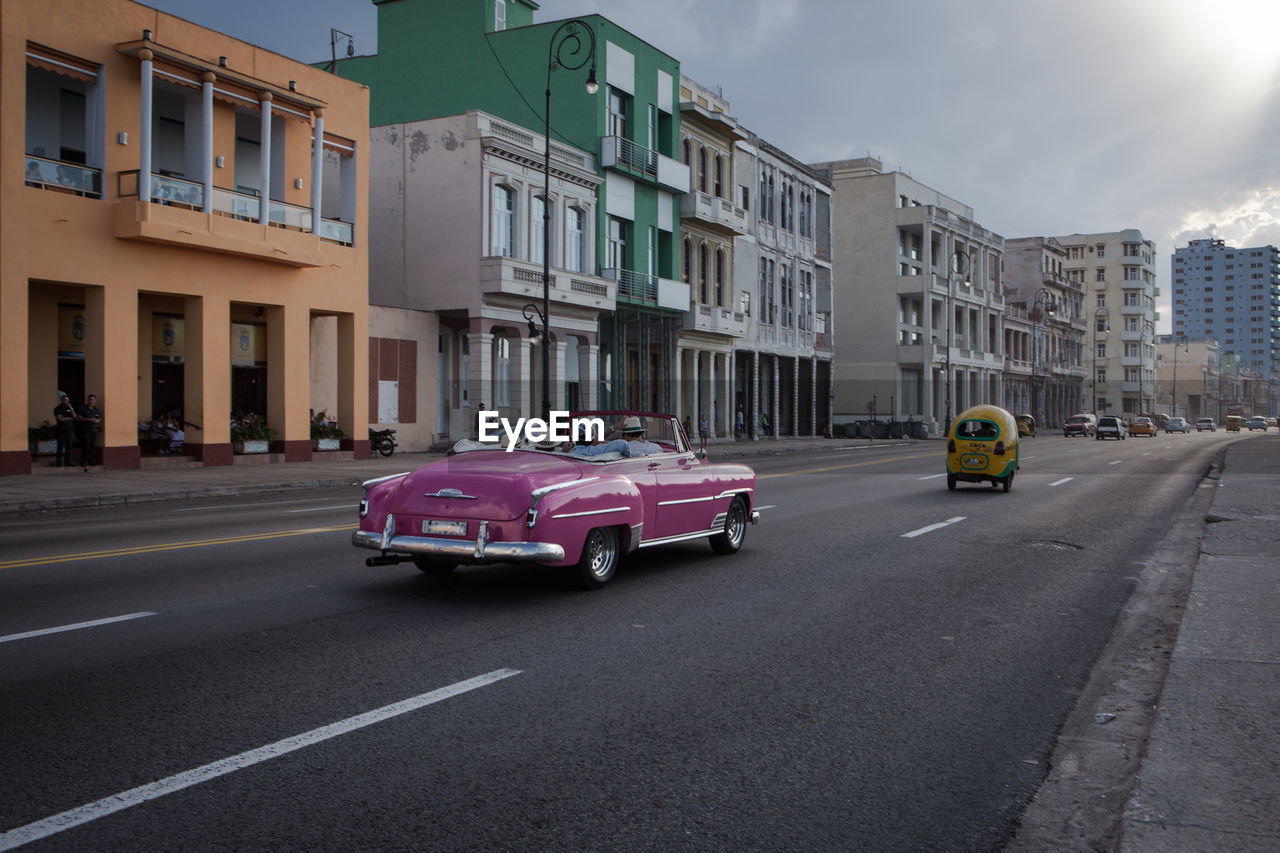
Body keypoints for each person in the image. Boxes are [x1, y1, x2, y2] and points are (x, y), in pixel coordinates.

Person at [75, 393, 101, 470]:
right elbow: (78, 417)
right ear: (88, 400)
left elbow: (99, 418)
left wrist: (97, 420)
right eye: (90, 399)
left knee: (92, 447)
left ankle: (91, 461)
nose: (91, 401)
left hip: (93, 430)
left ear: (95, 401)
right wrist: (89, 419)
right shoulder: (83, 408)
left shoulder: (96, 410)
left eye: (93, 400)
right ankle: (83, 461)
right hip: (85, 430)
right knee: (86, 446)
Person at [53, 393, 77, 467]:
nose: (66, 402)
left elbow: (75, 417)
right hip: (61, 430)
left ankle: (67, 462)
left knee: (69, 447)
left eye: (67, 400)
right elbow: (60, 419)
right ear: (62, 400)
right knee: (60, 447)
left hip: (69, 430)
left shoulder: (69, 408)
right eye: (65, 400)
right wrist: (69, 418)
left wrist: (71, 408)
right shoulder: (58, 409)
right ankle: (59, 462)